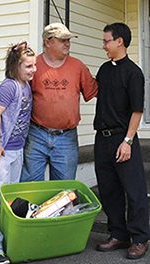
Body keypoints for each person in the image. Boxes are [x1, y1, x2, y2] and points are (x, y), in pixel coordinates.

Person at [94, 22, 150, 259]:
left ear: (119, 41)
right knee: (108, 190)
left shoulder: (134, 73)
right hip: (102, 139)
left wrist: (127, 140)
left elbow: (137, 111)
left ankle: (139, 238)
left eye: (106, 40)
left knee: (134, 191)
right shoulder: (104, 70)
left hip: (123, 138)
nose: (103, 45)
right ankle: (119, 234)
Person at [0, 41, 36, 264]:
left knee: (8, 199)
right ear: (15, 66)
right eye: (28, 66)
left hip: (15, 150)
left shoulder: (24, 85)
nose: (33, 70)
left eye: (34, 65)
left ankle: (3, 243)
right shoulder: (10, 85)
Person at [20, 23, 98, 182]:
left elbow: (96, 92)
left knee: (64, 188)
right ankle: (32, 208)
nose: (67, 44)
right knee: (31, 184)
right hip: (36, 134)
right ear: (48, 42)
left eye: (68, 40)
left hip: (66, 138)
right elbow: (18, 96)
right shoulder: (33, 66)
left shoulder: (78, 66)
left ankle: (61, 209)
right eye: (63, 40)